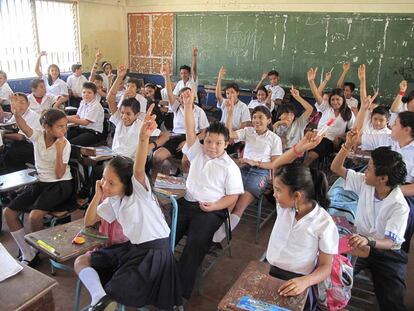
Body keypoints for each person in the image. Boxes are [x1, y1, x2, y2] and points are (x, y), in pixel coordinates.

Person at [73, 104, 182, 311]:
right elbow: (89, 221)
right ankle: (99, 299)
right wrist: (98, 194)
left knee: (115, 289)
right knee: (81, 261)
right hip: (133, 249)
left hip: (154, 255)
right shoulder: (113, 200)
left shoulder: (138, 192)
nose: (106, 185)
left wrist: (143, 137)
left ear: (127, 183)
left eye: (111, 183)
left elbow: (139, 166)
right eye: (104, 179)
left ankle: (103, 299)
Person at [175, 86, 244, 299]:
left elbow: (232, 197)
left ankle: (179, 291)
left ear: (226, 144)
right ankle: (158, 273)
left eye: (218, 143)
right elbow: (189, 131)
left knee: (195, 243)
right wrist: (188, 107)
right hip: (187, 203)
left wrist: (214, 206)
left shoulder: (229, 166)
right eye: (209, 142)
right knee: (166, 235)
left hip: (212, 211)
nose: (212, 146)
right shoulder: (197, 152)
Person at [331, 132, 409, 311]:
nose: (365, 170)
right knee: (332, 275)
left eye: (370, 168)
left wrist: (369, 241)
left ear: (383, 178)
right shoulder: (365, 182)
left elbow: (391, 242)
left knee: (392, 300)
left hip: (387, 253)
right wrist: (346, 146)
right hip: (358, 244)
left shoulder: (399, 206)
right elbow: (336, 168)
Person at [3, 106, 73, 267]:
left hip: (60, 185)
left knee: (35, 216)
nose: (64, 129)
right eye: (60, 126)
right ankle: (28, 252)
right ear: (47, 127)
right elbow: (24, 127)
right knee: (9, 213)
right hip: (41, 183)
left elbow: (59, 174)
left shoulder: (65, 144)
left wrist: (59, 150)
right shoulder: (38, 136)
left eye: (65, 125)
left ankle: (38, 248)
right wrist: (16, 113)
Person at [267, 156, 338, 310]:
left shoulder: (323, 223)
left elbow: (326, 267)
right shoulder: (284, 207)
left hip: (298, 280)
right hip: (270, 271)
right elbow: (276, 166)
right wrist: (299, 148)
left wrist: (305, 281)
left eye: (278, 191)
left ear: (297, 196)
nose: (274, 194)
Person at [212, 103, 282, 242]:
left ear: (269, 120)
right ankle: (214, 228)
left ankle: (216, 239)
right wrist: (230, 113)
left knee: (240, 205)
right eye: (254, 117)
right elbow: (229, 134)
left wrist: (255, 163)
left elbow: (275, 164)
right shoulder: (248, 131)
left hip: (261, 173)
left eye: (260, 117)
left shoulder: (274, 139)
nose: (256, 120)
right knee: (228, 200)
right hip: (243, 168)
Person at [153, 64, 209, 177]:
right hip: (176, 137)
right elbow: (169, 93)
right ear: (179, 99)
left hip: (194, 137)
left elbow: (203, 133)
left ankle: (185, 180)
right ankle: (154, 181)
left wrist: (188, 142)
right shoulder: (177, 107)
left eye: (188, 95)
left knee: (185, 160)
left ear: (193, 97)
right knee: (157, 156)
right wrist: (166, 76)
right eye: (183, 96)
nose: (186, 97)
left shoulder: (199, 111)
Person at [304, 67, 354, 166]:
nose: (335, 102)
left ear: (343, 100)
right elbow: (317, 96)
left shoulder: (348, 113)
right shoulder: (327, 108)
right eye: (333, 100)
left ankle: (300, 175)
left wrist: (340, 137)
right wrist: (311, 81)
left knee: (310, 156)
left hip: (330, 141)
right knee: (302, 153)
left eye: (338, 99)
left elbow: (352, 131)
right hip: (317, 136)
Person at [3, 92, 42, 172]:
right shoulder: (17, 115)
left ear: (28, 104)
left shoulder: (31, 115)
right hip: (24, 144)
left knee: (11, 154)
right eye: (15, 103)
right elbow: (8, 126)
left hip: (34, 146)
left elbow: (21, 137)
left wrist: (3, 134)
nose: (19, 105)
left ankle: (20, 178)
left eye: (22, 102)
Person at [273, 86, 314, 151]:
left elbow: (310, 109)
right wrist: (278, 123)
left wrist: (298, 97)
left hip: (295, 154)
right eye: (286, 113)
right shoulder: (277, 126)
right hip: (279, 153)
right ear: (279, 116)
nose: (289, 116)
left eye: (291, 114)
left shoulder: (298, 123)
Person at [66, 82, 104, 146]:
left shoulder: (96, 106)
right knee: (63, 138)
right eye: (84, 92)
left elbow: (85, 122)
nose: (86, 94)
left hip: (93, 133)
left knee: (70, 144)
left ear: (94, 94)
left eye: (89, 92)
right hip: (81, 130)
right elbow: (78, 116)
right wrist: (63, 118)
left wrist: (67, 118)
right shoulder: (83, 102)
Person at [216, 66, 251, 131]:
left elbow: (243, 126)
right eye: (227, 93)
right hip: (222, 130)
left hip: (234, 132)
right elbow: (218, 96)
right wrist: (219, 77)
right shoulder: (225, 102)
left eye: (232, 92)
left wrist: (233, 136)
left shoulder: (243, 107)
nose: (229, 95)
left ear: (237, 93)